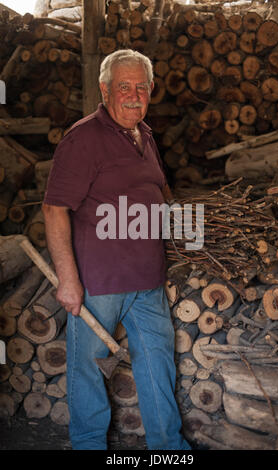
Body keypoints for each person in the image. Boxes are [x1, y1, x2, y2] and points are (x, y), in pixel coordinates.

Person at [42, 49, 191, 451]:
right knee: (89, 370)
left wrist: (177, 226)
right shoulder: (84, 138)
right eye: (124, 86)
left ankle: (169, 449)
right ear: (105, 90)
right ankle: (89, 445)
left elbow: (160, 189)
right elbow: (54, 209)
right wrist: (69, 281)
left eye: (141, 87)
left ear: (152, 91)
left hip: (147, 280)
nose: (134, 95)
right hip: (99, 284)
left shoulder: (146, 136)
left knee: (158, 365)